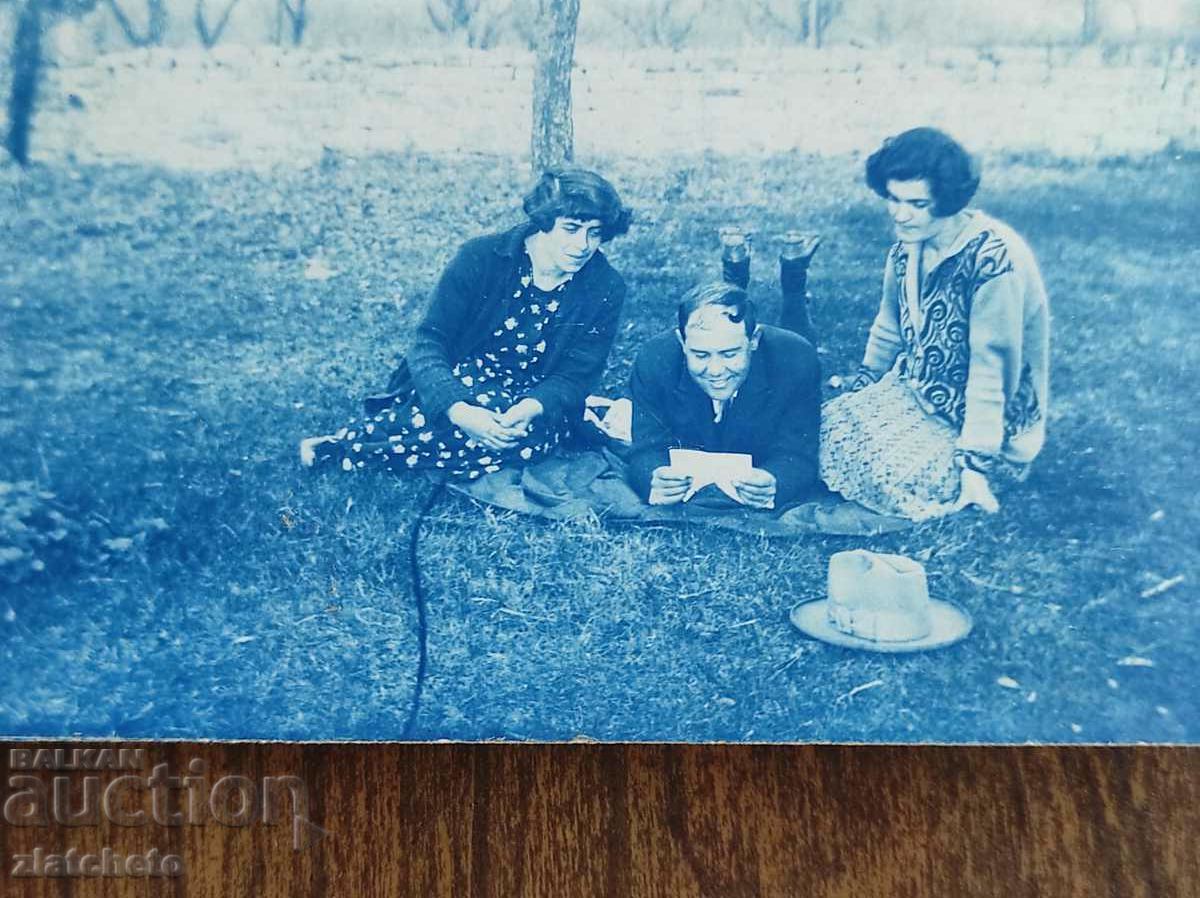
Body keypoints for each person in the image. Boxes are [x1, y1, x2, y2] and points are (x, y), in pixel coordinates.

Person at [300, 168, 630, 479]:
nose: (582, 245)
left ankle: (353, 446)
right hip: (464, 376)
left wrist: (530, 408)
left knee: (524, 440)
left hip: (533, 400)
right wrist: (460, 411)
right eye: (571, 229)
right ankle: (368, 440)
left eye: (594, 233)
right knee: (472, 426)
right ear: (544, 221)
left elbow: (575, 375)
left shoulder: (605, 287)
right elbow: (429, 343)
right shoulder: (482, 257)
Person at [819, 127, 1050, 521]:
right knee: (820, 431)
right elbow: (888, 327)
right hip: (916, 390)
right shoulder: (906, 249)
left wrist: (975, 464)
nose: (900, 214)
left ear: (949, 201)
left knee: (892, 475)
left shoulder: (994, 259)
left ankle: (975, 473)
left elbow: (992, 370)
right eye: (893, 199)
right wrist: (861, 390)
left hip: (985, 418)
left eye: (917, 203)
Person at [626, 233, 823, 510]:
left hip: (785, 353)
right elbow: (645, 449)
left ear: (753, 341)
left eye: (730, 354)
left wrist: (775, 480)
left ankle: (793, 277)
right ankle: (739, 270)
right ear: (682, 343)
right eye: (701, 354)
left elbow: (799, 452)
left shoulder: (795, 363)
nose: (716, 370)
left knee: (797, 332)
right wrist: (654, 477)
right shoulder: (655, 360)